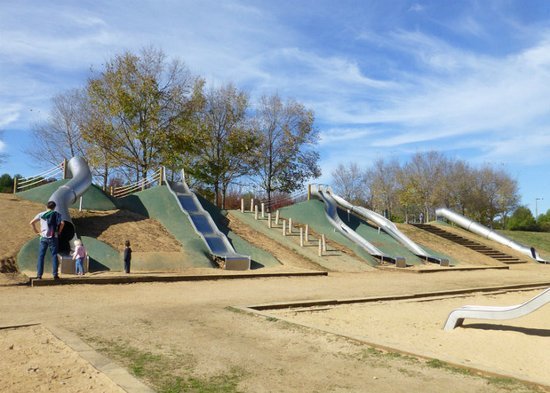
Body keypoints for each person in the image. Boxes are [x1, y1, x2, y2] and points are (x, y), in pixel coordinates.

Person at [30, 201, 64, 280]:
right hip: (53, 237)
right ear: (54, 207)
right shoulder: (57, 214)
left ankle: (39, 275)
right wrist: (59, 232)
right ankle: (55, 275)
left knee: (41, 256)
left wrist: (37, 232)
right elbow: (62, 223)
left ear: (46, 206)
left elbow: (31, 222)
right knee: (54, 255)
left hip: (44, 238)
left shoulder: (41, 214)